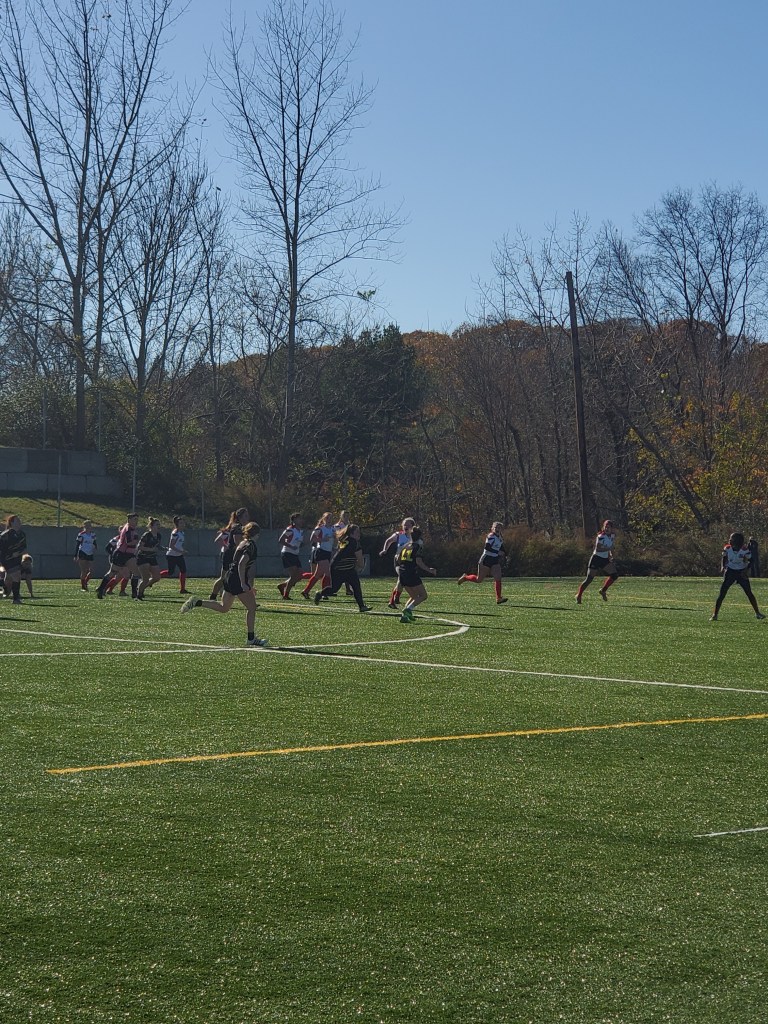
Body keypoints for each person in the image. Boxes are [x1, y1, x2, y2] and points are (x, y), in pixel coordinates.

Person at [181, 522, 267, 647]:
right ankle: (251, 638)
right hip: (236, 579)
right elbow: (242, 564)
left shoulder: (243, 543)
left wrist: (247, 585)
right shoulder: (251, 546)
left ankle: (197, 602)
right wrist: (243, 583)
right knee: (252, 608)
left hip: (229, 577)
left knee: (224, 608)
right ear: (257, 534)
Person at [314, 523, 371, 612]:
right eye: (357, 532)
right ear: (351, 533)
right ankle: (320, 593)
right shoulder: (355, 543)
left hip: (338, 567)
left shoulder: (345, 540)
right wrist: (360, 567)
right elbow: (359, 559)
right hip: (340, 569)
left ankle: (362, 606)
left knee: (353, 586)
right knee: (337, 588)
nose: (359, 534)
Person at [710, 532, 765, 621]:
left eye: (731, 539)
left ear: (737, 541)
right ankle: (715, 615)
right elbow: (724, 557)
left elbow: (751, 560)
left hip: (741, 572)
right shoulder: (727, 548)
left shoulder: (744, 550)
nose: (729, 540)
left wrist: (746, 570)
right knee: (722, 593)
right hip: (730, 571)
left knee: (749, 593)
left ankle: (757, 613)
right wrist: (723, 567)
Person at [457, 521, 508, 605]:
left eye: (499, 528)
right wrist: (498, 552)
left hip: (494, 560)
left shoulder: (500, 537)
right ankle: (465, 577)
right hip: (486, 560)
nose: (497, 529)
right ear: (492, 528)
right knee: (479, 580)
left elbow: (501, 546)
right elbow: (487, 547)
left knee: (498, 577)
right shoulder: (491, 536)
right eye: (496, 527)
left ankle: (498, 598)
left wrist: (506, 554)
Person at [396, 527, 437, 623]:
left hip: (402, 573)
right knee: (423, 595)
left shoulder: (405, 546)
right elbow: (418, 561)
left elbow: (398, 559)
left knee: (414, 596)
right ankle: (408, 609)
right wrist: (429, 570)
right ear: (420, 537)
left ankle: (404, 616)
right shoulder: (417, 547)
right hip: (411, 573)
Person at [96, 513, 140, 599]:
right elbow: (129, 543)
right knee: (112, 573)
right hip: (121, 554)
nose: (136, 521)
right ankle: (101, 589)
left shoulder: (131, 528)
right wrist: (137, 541)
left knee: (135, 573)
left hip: (128, 555)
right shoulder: (128, 529)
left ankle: (134, 593)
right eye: (135, 519)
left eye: (137, 519)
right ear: (129, 520)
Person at [210, 508, 250, 600]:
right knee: (223, 577)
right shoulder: (237, 527)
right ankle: (213, 596)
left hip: (237, 555)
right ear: (240, 517)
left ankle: (248, 599)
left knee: (240, 576)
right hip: (230, 555)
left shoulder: (245, 527)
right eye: (245, 516)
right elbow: (237, 542)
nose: (247, 518)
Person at [576, 520, 619, 604]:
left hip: (604, 559)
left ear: (611, 528)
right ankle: (579, 595)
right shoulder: (601, 536)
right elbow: (598, 549)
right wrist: (608, 549)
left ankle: (603, 590)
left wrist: (611, 555)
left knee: (614, 575)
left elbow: (610, 547)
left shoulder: (612, 536)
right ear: (603, 527)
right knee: (589, 579)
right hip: (596, 559)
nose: (607, 528)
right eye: (605, 527)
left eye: (608, 527)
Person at [379, 517, 415, 609]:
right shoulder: (399, 535)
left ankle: (395, 599)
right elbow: (389, 541)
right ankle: (394, 599)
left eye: (408, 525)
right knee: (401, 578)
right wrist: (385, 550)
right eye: (404, 525)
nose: (405, 526)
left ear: (412, 526)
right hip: (399, 561)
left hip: (409, 562)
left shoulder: (414, 536)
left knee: (401, 580)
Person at [301, 512, 336, 599]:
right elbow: (312, 538)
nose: (329, 520)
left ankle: (306, 591)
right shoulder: (320, 528)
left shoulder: (333, 529)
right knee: (328, 572)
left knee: (318, 574)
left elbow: (334, 539)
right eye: (327, 518)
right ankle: (324, 593)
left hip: (328, 552)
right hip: (321, 552)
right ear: (324, 519)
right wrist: (322, 539)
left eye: (331, 518)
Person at [0, 515, 28, 604]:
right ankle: (16, 599)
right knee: (16, 576)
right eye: (17, 521)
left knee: (10, 579)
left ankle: (5, 590)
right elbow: (2, 549)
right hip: (7, 559)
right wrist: (10, 555)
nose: (19, 522)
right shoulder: (5, 535)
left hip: (17, 559)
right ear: (11, 523)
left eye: (19, 520)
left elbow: (24, 547)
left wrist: (21, 554)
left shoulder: (22, 534)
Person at [159, 516, 189, 593]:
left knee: (183, 570)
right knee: (170, 572)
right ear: (177, 524)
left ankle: (182, 589)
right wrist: (180, 551)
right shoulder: (175, 533)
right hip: (171, 555)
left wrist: (182, 550)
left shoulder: (182, 533)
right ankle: (155, 577)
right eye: (181, 523)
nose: (183, 524)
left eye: (183, 523)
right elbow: (171, 546)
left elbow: (178, 544)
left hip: (178, 555)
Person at [278, 513, 304, 599]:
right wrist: (291, 546)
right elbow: (281, 540)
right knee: (294, 575)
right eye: (299, 519)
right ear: (294, 520)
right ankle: (286, 595)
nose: (301, 520)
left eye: (301, 518)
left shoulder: (300, 531)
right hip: (288, 553)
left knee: (299, 576)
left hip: (295, 554)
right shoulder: (290, 530)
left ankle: (283, 585)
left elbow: (298, 543)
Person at [136, 518, 163, 599]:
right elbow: (140, 547)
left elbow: (157, 545)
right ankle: (139, 594)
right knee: (145, 579)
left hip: (152, 557)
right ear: (151, 526)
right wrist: (150, 549)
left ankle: (141, 587)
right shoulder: (147, 535)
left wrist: (163, 548)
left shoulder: (159, 535)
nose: (159, 526)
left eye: (159, 525)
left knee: (157, 577)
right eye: (157, 525)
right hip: (143, 557)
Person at [74, 520, 98, 591]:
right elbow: (77, 545)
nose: (88, 527)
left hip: (90, 553)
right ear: (84, 526)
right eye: (87, 526)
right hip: (83, 552)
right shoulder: (81, 534)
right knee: (84, 570)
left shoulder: (93, 534)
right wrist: (75, 555)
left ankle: (85, 582)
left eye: (89, 525)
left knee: (91, 571)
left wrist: (95, 547)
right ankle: (83, 586)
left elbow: (94, 542)